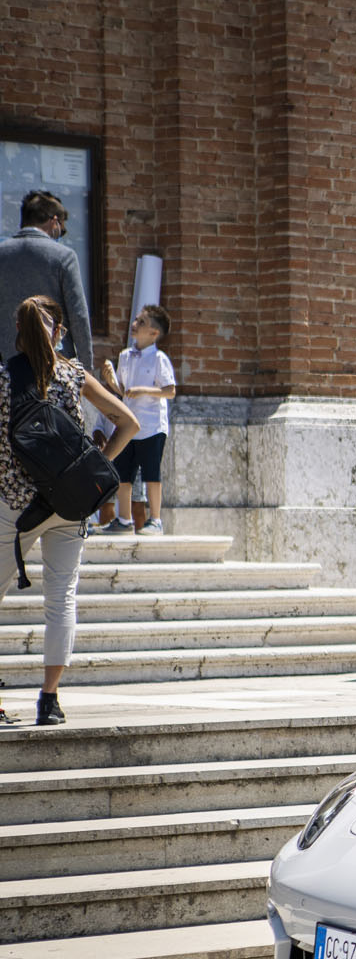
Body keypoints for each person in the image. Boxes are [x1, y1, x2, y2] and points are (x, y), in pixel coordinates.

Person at [2, 297, 137, 724]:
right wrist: (99, 465)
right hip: (70, 505)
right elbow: (129, 422)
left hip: (15, 505)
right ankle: (49, 699)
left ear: (19, 333)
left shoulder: (5, 377)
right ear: (58, 332)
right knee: (61, 602)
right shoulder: (75, 374)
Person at [94, 304, 177, 534]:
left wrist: (144, 390)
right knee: (123, 473)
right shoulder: (125, 356)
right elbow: (123, 391)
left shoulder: (159, 359)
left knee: (151, 473)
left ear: (154, 333)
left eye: (141, 322)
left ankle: (156, 520)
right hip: (128, 425)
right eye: (136, 319)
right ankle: (124, 519)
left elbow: (170, 390)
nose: (134, 324)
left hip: (151, 426)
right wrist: (111, 381)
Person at [0, 192, 92, 373]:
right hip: (55, 366)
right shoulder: (64, 256)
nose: (61, 234)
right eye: (62, 229)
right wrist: (86, 370)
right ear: (54, 221)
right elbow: (78, 316)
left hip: (8, 367)